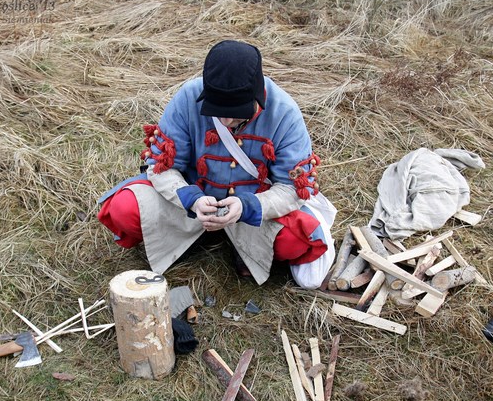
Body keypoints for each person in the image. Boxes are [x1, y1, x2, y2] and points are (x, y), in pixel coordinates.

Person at [97, 40, 336, 289]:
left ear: (257, 97)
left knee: (297, 239)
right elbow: (162, 167)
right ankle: (196, 236)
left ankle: (239, 244)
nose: (225, 120)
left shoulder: (285, 113)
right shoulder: (188, 98)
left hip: (253, 212)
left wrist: (247, 207)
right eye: (217, 109)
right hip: (189, 202)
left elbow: (291, 188)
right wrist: (192, 200)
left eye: (236, 111)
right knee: (123, 210)